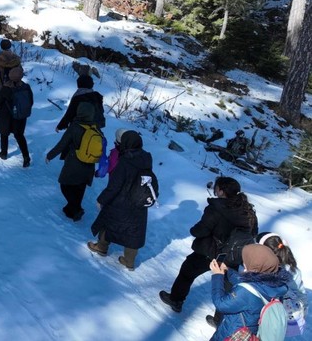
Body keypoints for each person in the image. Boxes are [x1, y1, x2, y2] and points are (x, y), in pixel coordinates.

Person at [160, 177, 259, 313]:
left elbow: (202, 230)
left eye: (217, 188)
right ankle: (220, 320)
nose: (215, 190)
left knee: (187, 272)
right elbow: (254, 233)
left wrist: (194, 230)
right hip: (233, 255)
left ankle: (176, 300)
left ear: (221, 191)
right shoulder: (248, 210)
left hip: (210, 252)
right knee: (226, 287)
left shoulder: (216, 208)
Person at [87, 130, 153, 270]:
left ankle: (101, 247)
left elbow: (114, 186)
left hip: (121, 201)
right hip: (138, 202)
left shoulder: (124, 161)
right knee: (134, 231)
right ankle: (129, 261)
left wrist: (101, 199)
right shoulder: (146, 158)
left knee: (107, 222)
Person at [208, 244, 291, 341]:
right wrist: (228, 271)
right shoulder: (277, 285)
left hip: (233, 334)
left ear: (255, 267)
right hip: (252, 332)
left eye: (246, 261)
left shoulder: (245, 292)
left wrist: (217, 276)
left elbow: (220, 304)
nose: (244, 263)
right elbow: (252, 285)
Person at [45, 102, 98, 221]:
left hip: (75, 162)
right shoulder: (95, 127)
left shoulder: (75, 126)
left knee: (65, 184)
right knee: (80, 186)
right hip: (89, 164)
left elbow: (62, 144)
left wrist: (50, 155)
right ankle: (72, 209)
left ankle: (76, 209)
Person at [254, 232, 307, 336]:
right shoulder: (293, 270)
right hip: (287, 317)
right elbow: (301, 292)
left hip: (269, 317)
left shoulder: (263, 271)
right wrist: (304, 309)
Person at [0, 67, 32, 167]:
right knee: (19, 136)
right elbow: (31, 102)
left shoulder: (6, 88)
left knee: (4, 134)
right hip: (21, 116)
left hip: (6, 115)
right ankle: (26, 157)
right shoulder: (26, 87)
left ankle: (4, 153)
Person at [0, 39, 22, 128]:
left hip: (0, 83)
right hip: (12, 83)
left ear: (1, 47)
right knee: (10, 101)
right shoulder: (16, 59)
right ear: (10, 47)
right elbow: (20, 71)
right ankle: (8, 120)